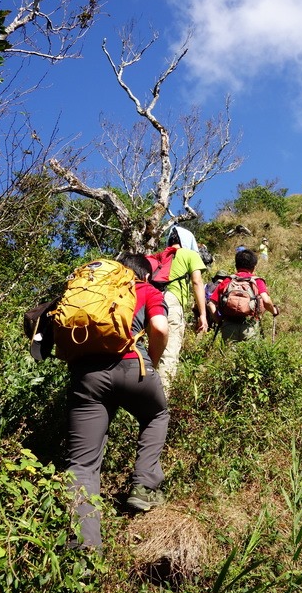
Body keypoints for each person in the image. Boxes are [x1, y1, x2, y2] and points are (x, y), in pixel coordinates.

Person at [65, 252, 170, 551]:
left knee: (81, 464)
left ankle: (83, 552)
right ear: (145, 275)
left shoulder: (95, 289)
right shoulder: (146, 289)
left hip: (87, 376)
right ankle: (143, 485)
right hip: (133, 367)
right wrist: (153, 362)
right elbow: (160, 328)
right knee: (156, 415)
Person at [157, 224, 208, 393]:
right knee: (169, 353)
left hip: (150, 301)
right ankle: (161, 402)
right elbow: (197, 282)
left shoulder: (158, 256)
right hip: (171, 302)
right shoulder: (190, 254)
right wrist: (202, 314)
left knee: (150, 354)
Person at [208, 248, 279, 343]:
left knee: (229, 356)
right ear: (254, 267)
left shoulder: (228, 281)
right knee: (249, 355)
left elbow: (211, 304)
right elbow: (266, 301)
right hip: (250, 326)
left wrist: (220, 321)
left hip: (229, 325)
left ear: (236, 266)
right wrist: (274, 311)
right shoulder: (257, 281)